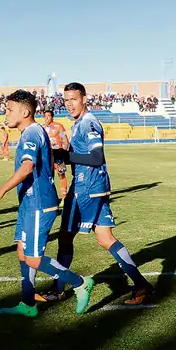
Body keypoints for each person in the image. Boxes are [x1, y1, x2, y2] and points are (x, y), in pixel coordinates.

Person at [43, 83, 154, 305]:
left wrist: (65, 155)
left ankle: (57, 289)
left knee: (65, 238)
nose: (70, 104)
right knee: (105, 238)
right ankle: (142, 285)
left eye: (74, 99)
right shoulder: (78, 124)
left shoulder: (88, 123)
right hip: (96, 187)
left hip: (86, 188)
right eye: (66, 100)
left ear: (84, 99)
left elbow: (96, 158)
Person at [0, 90, 95, 317]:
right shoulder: (30, 132)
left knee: (33, 259)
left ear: (24, 111)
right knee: (21, 250)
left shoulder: (32, 133)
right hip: (28, 203)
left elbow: (27, 168)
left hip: (38, 203)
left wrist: (0, 191)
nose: (5, 113)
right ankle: (28, 304)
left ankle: (79, 282)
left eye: (9, 109)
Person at [43, 109, 70, 194]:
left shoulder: (59, 126)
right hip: (47, 154)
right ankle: (50, 195)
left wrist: (64, 151)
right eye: (45, 116)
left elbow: (65, 139)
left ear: (52, 117)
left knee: (61, 173)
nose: (46, 118)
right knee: (48, 175)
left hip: (58, 153)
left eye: (49, 116)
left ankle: (64, 195)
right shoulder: (42, 128)